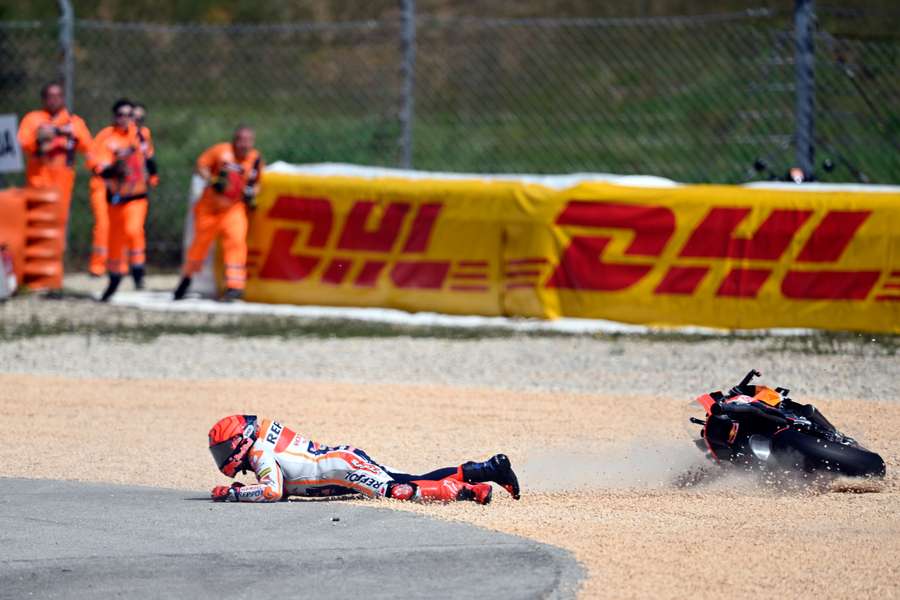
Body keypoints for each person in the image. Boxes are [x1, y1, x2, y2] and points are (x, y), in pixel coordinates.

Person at [208, 414, 521, 504]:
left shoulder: (261, 452)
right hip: (340, 461)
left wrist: (234, 494)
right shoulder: (265, 440)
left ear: (241, 440)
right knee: (408, 480)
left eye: (224, 450)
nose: (223, 458)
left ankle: (470, 492)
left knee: (399, 491)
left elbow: (272, 491)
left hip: (340, 468)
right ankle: (486, 469)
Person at [173, 126, 262, 302]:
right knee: (199, 247)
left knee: (236, 243)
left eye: (248, 141)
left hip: (233, 209)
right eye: (241, 140)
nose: (244, 145)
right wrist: (213, 181)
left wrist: (252, 194)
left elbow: (257, 182)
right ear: (234, 139)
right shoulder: (221, 151)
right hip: (209, 208)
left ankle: (235, 287)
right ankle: (186, 279)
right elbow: (201, 166)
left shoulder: (255, 159)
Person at [16, 82, 92, 273]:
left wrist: (68, 134)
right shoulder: (34, 118)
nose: (54, 100)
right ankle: (33, 271)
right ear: (44, 99)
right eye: (50, 96)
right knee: (35, 224)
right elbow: (23, 142)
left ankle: (53, 270)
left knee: (58, 226)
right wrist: (40, 137)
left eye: (58, 96)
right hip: (38, 179)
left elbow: (87, 146)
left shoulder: (73, 121)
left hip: (63, 182)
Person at [88, 98, 154, 301]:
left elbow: (150, 159)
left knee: (133, 230)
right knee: (114, 239)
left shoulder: (141, 135)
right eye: (120, 115)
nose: (125, 119)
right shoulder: (106, 137)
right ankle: (114, 278)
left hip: (137, 196)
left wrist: (152, 177)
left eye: (129, 114)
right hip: (116, 197)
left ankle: (137, 271)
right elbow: (97, 166)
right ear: (114, 116)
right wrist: (115, 168)